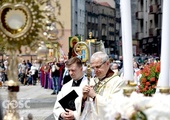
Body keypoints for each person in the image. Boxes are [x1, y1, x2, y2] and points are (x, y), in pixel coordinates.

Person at [81, 51, 126, 120]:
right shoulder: (92, 81)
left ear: (107, 63)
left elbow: (115, 107)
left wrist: (94, 96)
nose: (95, 70)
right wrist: (84, 97)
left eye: (98, 66)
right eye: (93, 68)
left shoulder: (118, 82)